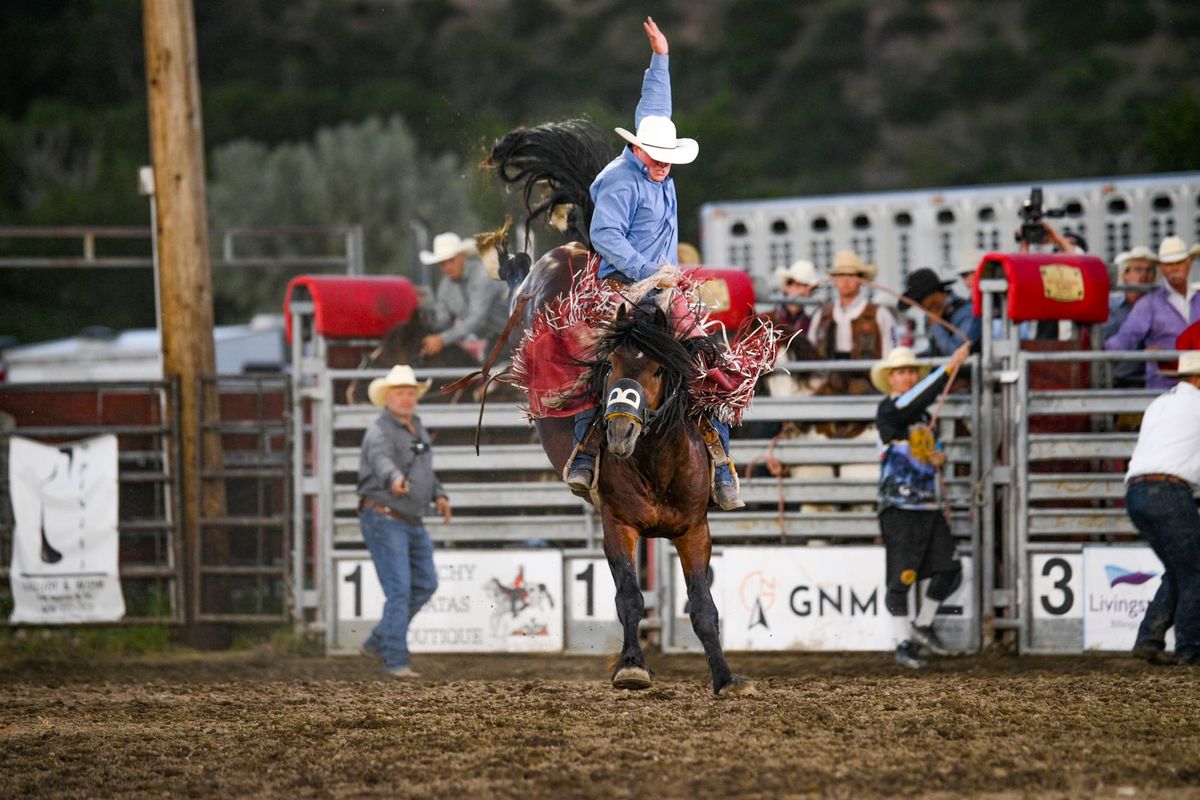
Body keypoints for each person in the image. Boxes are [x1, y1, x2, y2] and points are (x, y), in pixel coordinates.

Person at [566, 17, 743, 511]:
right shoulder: (623, 181)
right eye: (657, 156)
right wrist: (649, 271)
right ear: (639, 148)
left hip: (663, 288)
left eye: (669, 157)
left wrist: (660, 57)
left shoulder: (650, 154)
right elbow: (604, 235)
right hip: (622, 287)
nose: (665, 165)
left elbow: (656, 106)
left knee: (709, 365)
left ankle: (720, 460)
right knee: (599, 365)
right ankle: (584, 453)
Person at [871, 342, 972, 668]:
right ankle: (903, 643)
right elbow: (911, 407)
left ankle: (923, 625)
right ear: (891, 379)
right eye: (902, 371)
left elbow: (933, 447)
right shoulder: (888, 410)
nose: (909, 376)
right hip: (899, 508)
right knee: (902, 578)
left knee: (950, 569)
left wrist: (938, 456)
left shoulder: (922, 414)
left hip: (926, 507)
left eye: (912, 370)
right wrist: (948, 368)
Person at [357, 364, 453, 678]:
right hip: (384, 516)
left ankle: (378, 642)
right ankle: (395, 660)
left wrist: (438, 494)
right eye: (400, 393)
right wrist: (394, 478)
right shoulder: (379, 431)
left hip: (408, 517)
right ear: (388, 397)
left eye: (410, 393)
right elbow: (381, 460)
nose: (406, 398)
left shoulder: (417, 428)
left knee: (425, 584)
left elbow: (425, 469)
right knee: (400, 589)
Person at [1124, 348, 1200, 667]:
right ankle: (1190, 649)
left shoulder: (1160, 404)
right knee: (1195, 571)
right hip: (1169, 491)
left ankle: (1149, 639)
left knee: (1181, 568)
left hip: (1137, 491)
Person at [1104, 236, 1200, 390]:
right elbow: (1126, 337)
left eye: (1179, 262)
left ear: (1189, 264)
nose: (1175, 268)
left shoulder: (1198, 299)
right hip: (1165, 387)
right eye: (1169, 264)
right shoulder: (1149, 304)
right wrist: (1097, 352)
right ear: (1162, 268)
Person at [420, 232, 510, 361]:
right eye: (442, 263)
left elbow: (477, 319)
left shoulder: (482, 275)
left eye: (451, 260)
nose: (447, 267)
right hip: (498, 337)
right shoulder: (445, 287)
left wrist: (442, 339)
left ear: (463, 256)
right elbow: (443, 321)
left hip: (524, 332)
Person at [808, 250, 897, 361]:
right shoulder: (821, 315)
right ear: (834, 280)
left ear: (860, 279)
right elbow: (811, 350)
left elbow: (890, 353)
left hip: (867, 376)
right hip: (830, 375)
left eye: (850, 275)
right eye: (840, 275)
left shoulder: (880, 314)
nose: (845, 281)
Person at [1099, 246, 1158, 388]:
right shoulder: (1109, 307)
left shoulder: (1160, 309)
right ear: (1125, 275)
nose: (1144, 275)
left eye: (1149, 270)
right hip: (1111, 383)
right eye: (1138, 269)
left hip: (1149, 384)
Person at [900, 267, 980, 357]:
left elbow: (955, 353)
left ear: (932, 295)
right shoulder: (928, 316)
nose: (918, 306)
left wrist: (935, 324)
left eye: (919, 301)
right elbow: (934, 349)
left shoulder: (968, 312)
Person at [771, 258, 820, 344]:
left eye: (805, 286)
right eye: (797, 285)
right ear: (786, 286)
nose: (801, 291)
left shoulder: (812, 324)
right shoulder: (768, 320)